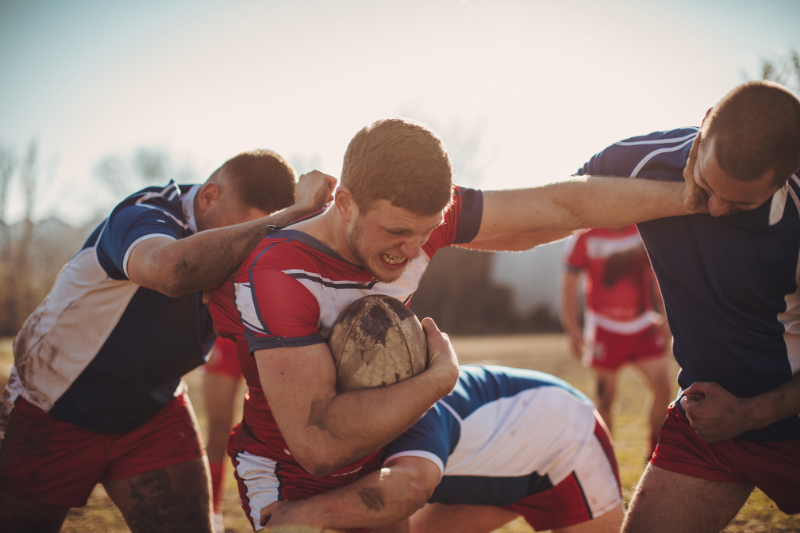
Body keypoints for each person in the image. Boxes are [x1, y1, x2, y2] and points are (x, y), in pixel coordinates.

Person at [208, 117, 704, 530]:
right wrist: (439, 378)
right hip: (291, 475)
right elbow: (317, 444)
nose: (411, 251)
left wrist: (690, 198)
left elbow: (560, 206)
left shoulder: (417, 222)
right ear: (345, 203)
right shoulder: (280, 270)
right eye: (398, 232)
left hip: (373, 450)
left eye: (425, 233)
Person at [0, 149, 336, 533]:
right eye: (250, 231)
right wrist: (293, 214)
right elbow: (172, 270)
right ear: (208, 196)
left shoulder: (262, 238)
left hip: (152, 413)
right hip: (52, 408)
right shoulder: (143, 214)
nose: (249, 249)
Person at [571, 81, 800, 533]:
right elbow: (555, 205)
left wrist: (748, 414)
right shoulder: (643, 162)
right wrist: (449, 220)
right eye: (707, 185)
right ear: (705, 124)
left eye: (740, 203)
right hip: (705, 424)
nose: (713, 208)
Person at [260, 364, 624, 533]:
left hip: (566, 441)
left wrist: (306, 513)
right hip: (498, 462)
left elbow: (409, 486)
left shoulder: (418, 412)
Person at [560, 225, 672, 458]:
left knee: (663, 388)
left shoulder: (642, 228)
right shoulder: (585, 238)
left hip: (643, 327)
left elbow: (661, 273)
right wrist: (573, 329)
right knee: (605, 400)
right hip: (605, 331)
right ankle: (606, 461)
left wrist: (667, 315)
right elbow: (568, 287)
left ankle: (655, 454)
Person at [203, 337, 244, 531]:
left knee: (278, 427)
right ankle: (211, 512)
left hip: (271, 335)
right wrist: (205, 338)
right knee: (219, 432)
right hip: (227, 340)